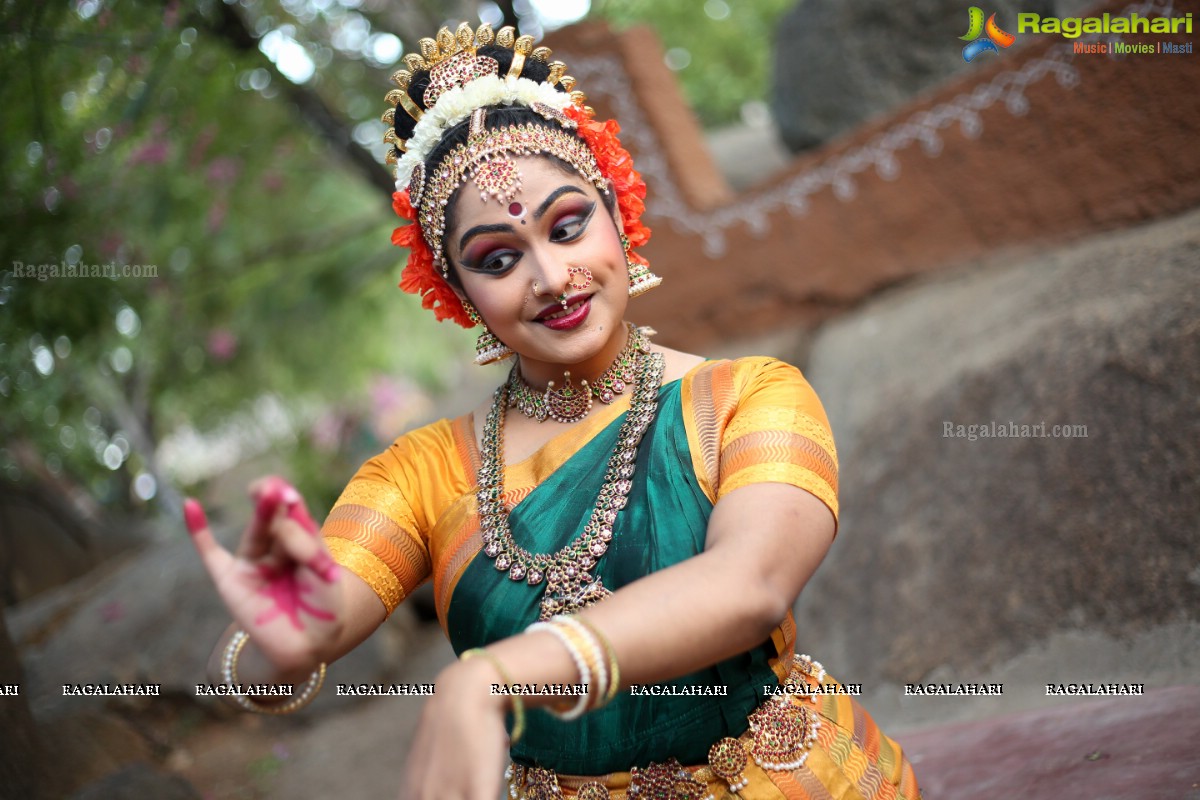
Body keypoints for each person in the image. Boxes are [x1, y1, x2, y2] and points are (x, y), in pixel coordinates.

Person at [186, 21, 921, 800]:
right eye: (497, 259)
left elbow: (749, 586)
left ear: (616, 215)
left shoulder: (750, 397)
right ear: (458, 292)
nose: (550, 275)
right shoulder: (420, 474)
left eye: (568, 225)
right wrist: (286, 644)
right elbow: (313, 622)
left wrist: (491, 678)